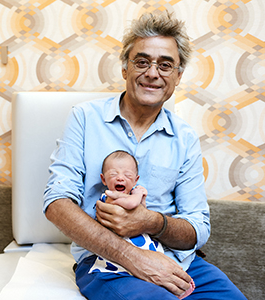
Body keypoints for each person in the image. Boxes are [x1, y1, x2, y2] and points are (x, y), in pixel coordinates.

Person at [44, 11, 247, 299]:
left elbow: (198, 228)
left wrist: (151, 222)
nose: (152, 73)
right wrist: (134, 258)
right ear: (125, 68)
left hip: (178, 260)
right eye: (142, 62)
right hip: (106, 262)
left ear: (178, 77)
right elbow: (57, 202)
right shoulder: (85, 118)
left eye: (166, 65)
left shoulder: (185, 137)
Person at [90, 150, 195, 300]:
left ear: (135, 180)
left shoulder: (129, 195)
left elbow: (141, 212)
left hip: (141, 242)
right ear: (104, 179)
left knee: (161, 267)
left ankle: (177, 288)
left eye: (127, 175)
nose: (120, 177)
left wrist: (142, 200)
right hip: (121, 248)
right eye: (113, 174)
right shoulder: (108, 197)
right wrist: (138, 195)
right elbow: (132, 204)